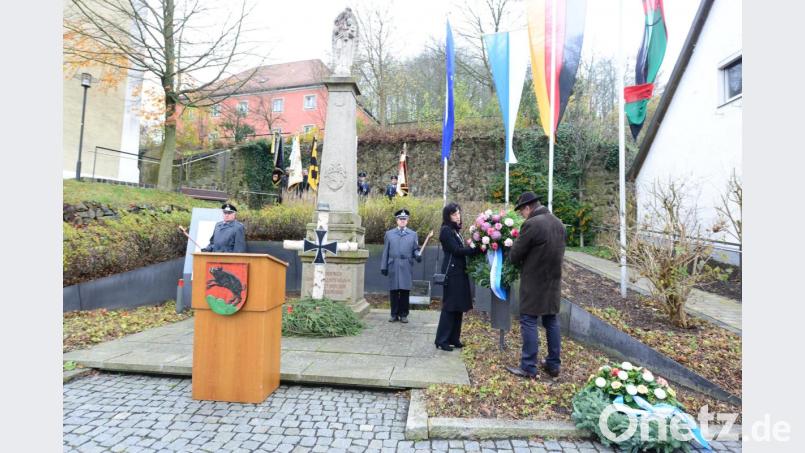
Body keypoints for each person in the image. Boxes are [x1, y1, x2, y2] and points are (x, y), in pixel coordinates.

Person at [505, 191, 566, 379]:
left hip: (534, 282)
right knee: (551, 321)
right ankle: (554, 364)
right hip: (553, 281)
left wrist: (510, 247)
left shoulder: (532, 223)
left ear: (527, 207)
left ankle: (528, 366)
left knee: (529, 320)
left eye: (521, 211)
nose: (522, 215)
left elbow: (515, 256)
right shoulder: (558, 223)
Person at [434, 203, 481, 351]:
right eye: (454, 214)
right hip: (452, 273)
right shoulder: (446, 231)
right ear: (448, 216)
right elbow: (456, 250)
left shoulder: (455, 231)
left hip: (459, 272)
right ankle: (442, 340)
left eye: (458, 213)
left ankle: (454, 338)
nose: (457, 216)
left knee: (458, 306)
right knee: (449, 307)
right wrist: (474, 250)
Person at [380, 209, 429, 323]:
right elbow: (385, 251)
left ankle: (403, 314)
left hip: (406, 265)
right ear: (396, 220)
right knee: (393, 291)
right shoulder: (389, 234)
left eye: (404, 219)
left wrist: (418, 255)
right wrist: (384, 266)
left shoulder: (413, 234)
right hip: (393, 265)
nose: (402, 221)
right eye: (400, 219)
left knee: (404, 291)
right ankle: (394, 314)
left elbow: (415, 250)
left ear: (407, 220)